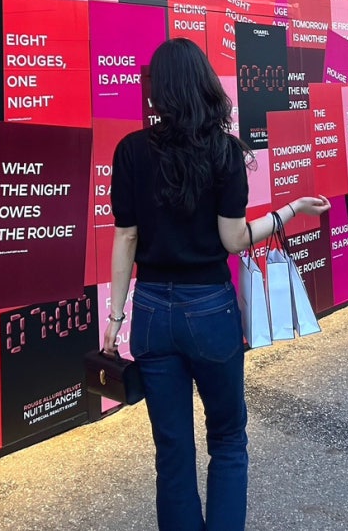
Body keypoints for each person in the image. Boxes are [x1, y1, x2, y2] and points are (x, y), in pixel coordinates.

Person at [103, 38, 330, 531]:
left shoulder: (130, 151)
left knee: (172, 451)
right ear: (204, 84)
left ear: (159, 91)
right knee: (226, 439)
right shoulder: (225, 152)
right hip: (209, 309)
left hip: (151, 312)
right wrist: (291, 210)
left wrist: (115, 319)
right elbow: (235, 240)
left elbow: (125, 237)